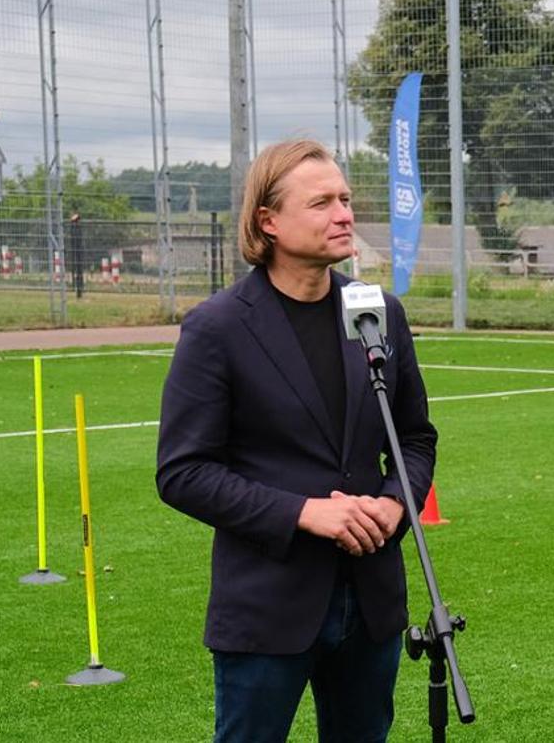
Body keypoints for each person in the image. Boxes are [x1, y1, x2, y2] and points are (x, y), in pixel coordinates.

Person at [157, 138, 435, 743]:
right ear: (269, 221)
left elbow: (414, 438)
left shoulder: (379, 312)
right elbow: (183, 472)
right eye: (321, 203)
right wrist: (304, 513)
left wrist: (395, 504)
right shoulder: (217, 327)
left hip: (372, 599)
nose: (344, 214)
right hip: (268, 606)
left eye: (346, 199)